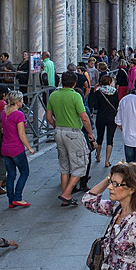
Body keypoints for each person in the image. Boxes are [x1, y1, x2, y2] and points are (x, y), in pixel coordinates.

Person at [46, 71, 95, 207]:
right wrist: (90, 133)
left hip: (59, 131)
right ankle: (66, 193)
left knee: (64, 165)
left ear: (62, 81)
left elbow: (48, 117)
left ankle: (65, 194)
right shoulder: (75, 96)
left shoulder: (54, 95)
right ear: (74, 83)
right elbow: (84, 117)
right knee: (80, 164)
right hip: (73, 132)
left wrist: (57, 126)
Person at [0, 91, 34, 208]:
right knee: (24, 172)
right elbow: (21, 134)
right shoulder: (19, 115)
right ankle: (18, 197)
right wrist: (29, 147)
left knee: (11, 174)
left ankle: (11, 200)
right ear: (18, 101)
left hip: (5, 147)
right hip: (16, 148)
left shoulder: (3, 113)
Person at [92, 75, 119, 168]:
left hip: (101, 117)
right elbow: (117, 105)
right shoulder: (114, 92)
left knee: (100, 137)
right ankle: (107, 161)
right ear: (110, 82)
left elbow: (95, 106)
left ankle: (98, 156)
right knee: (110, 139)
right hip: (112, 117)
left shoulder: (98, 92)